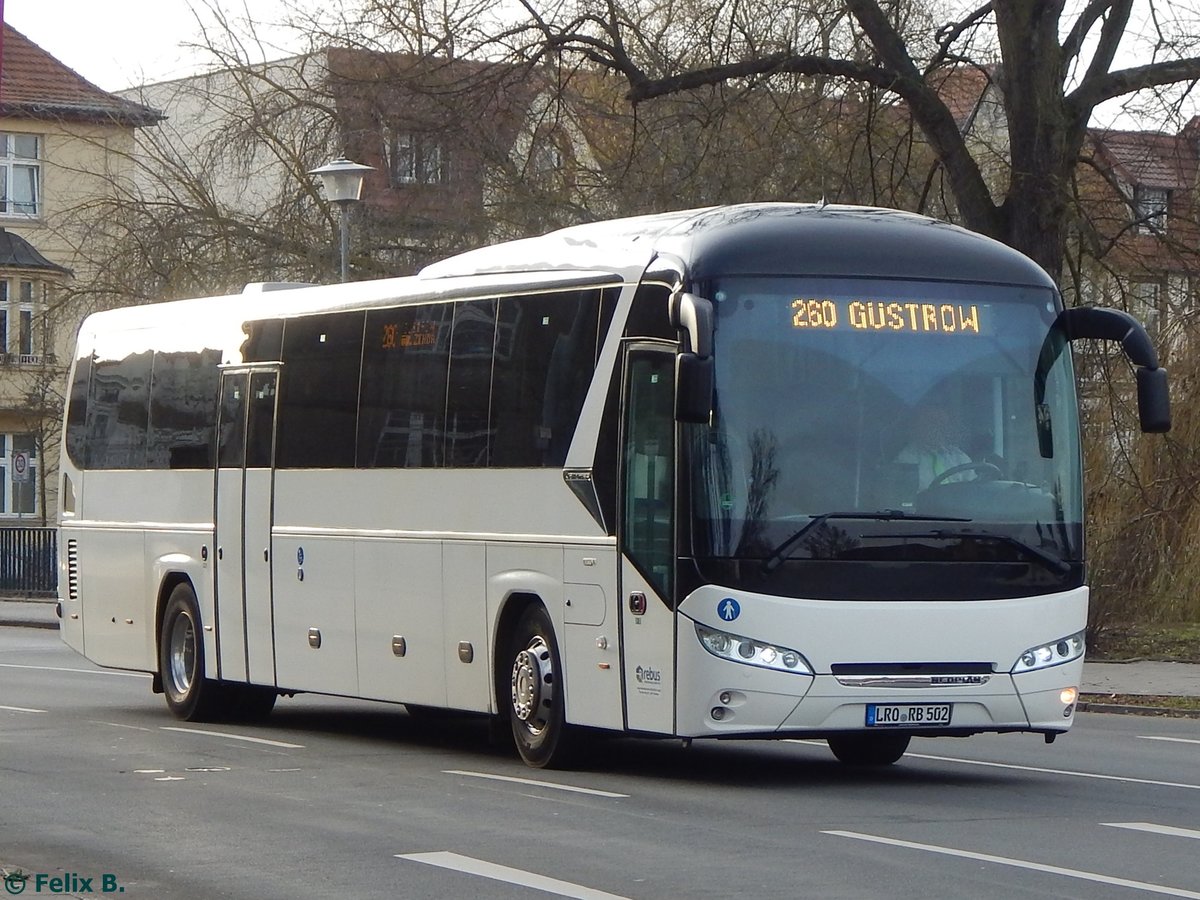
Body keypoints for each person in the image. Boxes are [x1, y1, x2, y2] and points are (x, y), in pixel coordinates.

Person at [895, 404, 972, 490]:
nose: (938, 429)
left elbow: (974, 488)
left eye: (942, 424)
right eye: (933, 423)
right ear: (919, 426)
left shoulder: (959, 456)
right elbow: (904, 495)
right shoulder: (907, 458)